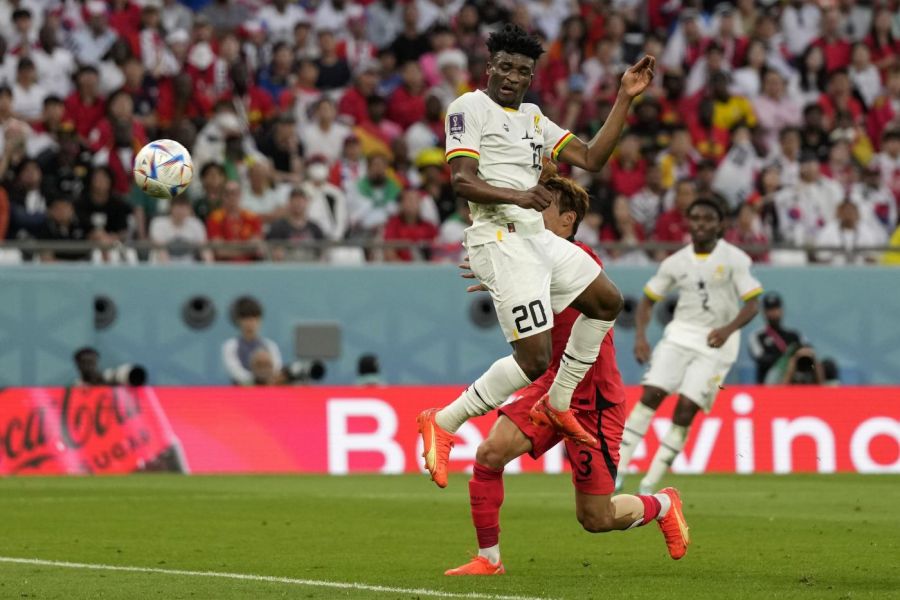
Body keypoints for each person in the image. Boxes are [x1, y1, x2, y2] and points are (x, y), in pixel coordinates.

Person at [417, 24, 656, 488]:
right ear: (489, 68)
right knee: (534, 359)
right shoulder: (469, 107)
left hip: (536, 239)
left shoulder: (534, 118)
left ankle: (558, 402)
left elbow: (591, 158)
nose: (512, 76)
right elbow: (462, 181)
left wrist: (624, 97)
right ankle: (443, 421)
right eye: (504, 66)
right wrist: (520, 196)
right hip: (500, 238)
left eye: (522, 70)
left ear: (531, 76)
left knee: (606, 302)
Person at [445, 174, 689, 576]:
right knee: (489, 454)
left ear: (566, 221)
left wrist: (504, 270)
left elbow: (545, 284)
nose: (527, 214)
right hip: (548, 387)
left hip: (593, 399)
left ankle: (663, 504)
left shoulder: (583, 262)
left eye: (541, 208)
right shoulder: (528, 259)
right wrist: (500, 272)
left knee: (596, 517)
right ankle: (489, 559)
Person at [616, 198, 763, 495]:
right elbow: (648, 300)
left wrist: (727, 329)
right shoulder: (675, 262)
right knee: (650, 396)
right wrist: (641, 336)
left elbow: (752, 304)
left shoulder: (735, 259)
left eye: (708, 219)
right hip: (680, 334)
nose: (701, 224)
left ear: (720, 224)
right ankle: (617, 472)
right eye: (695, 218)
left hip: (717, 343)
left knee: (685, 409)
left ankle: (649, 484)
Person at [222, 296, 283, 386]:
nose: (250, 323)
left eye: (254, 318)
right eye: (246, 319)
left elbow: (276, 369)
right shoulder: (230, 346)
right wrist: (257, 381)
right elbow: (235, 371)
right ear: (238, 321)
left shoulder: (270, 345)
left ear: (260, 320)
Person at [748, 292, 806, 384]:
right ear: (764, 312)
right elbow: (761, 359)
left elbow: (807, 354)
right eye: (770, 309)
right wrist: (788, 356)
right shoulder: (757, 336)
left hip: (792, 386)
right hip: (767, 386)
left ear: (782, 310)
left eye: (776, 308)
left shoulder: (794, 335)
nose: (773, 313)